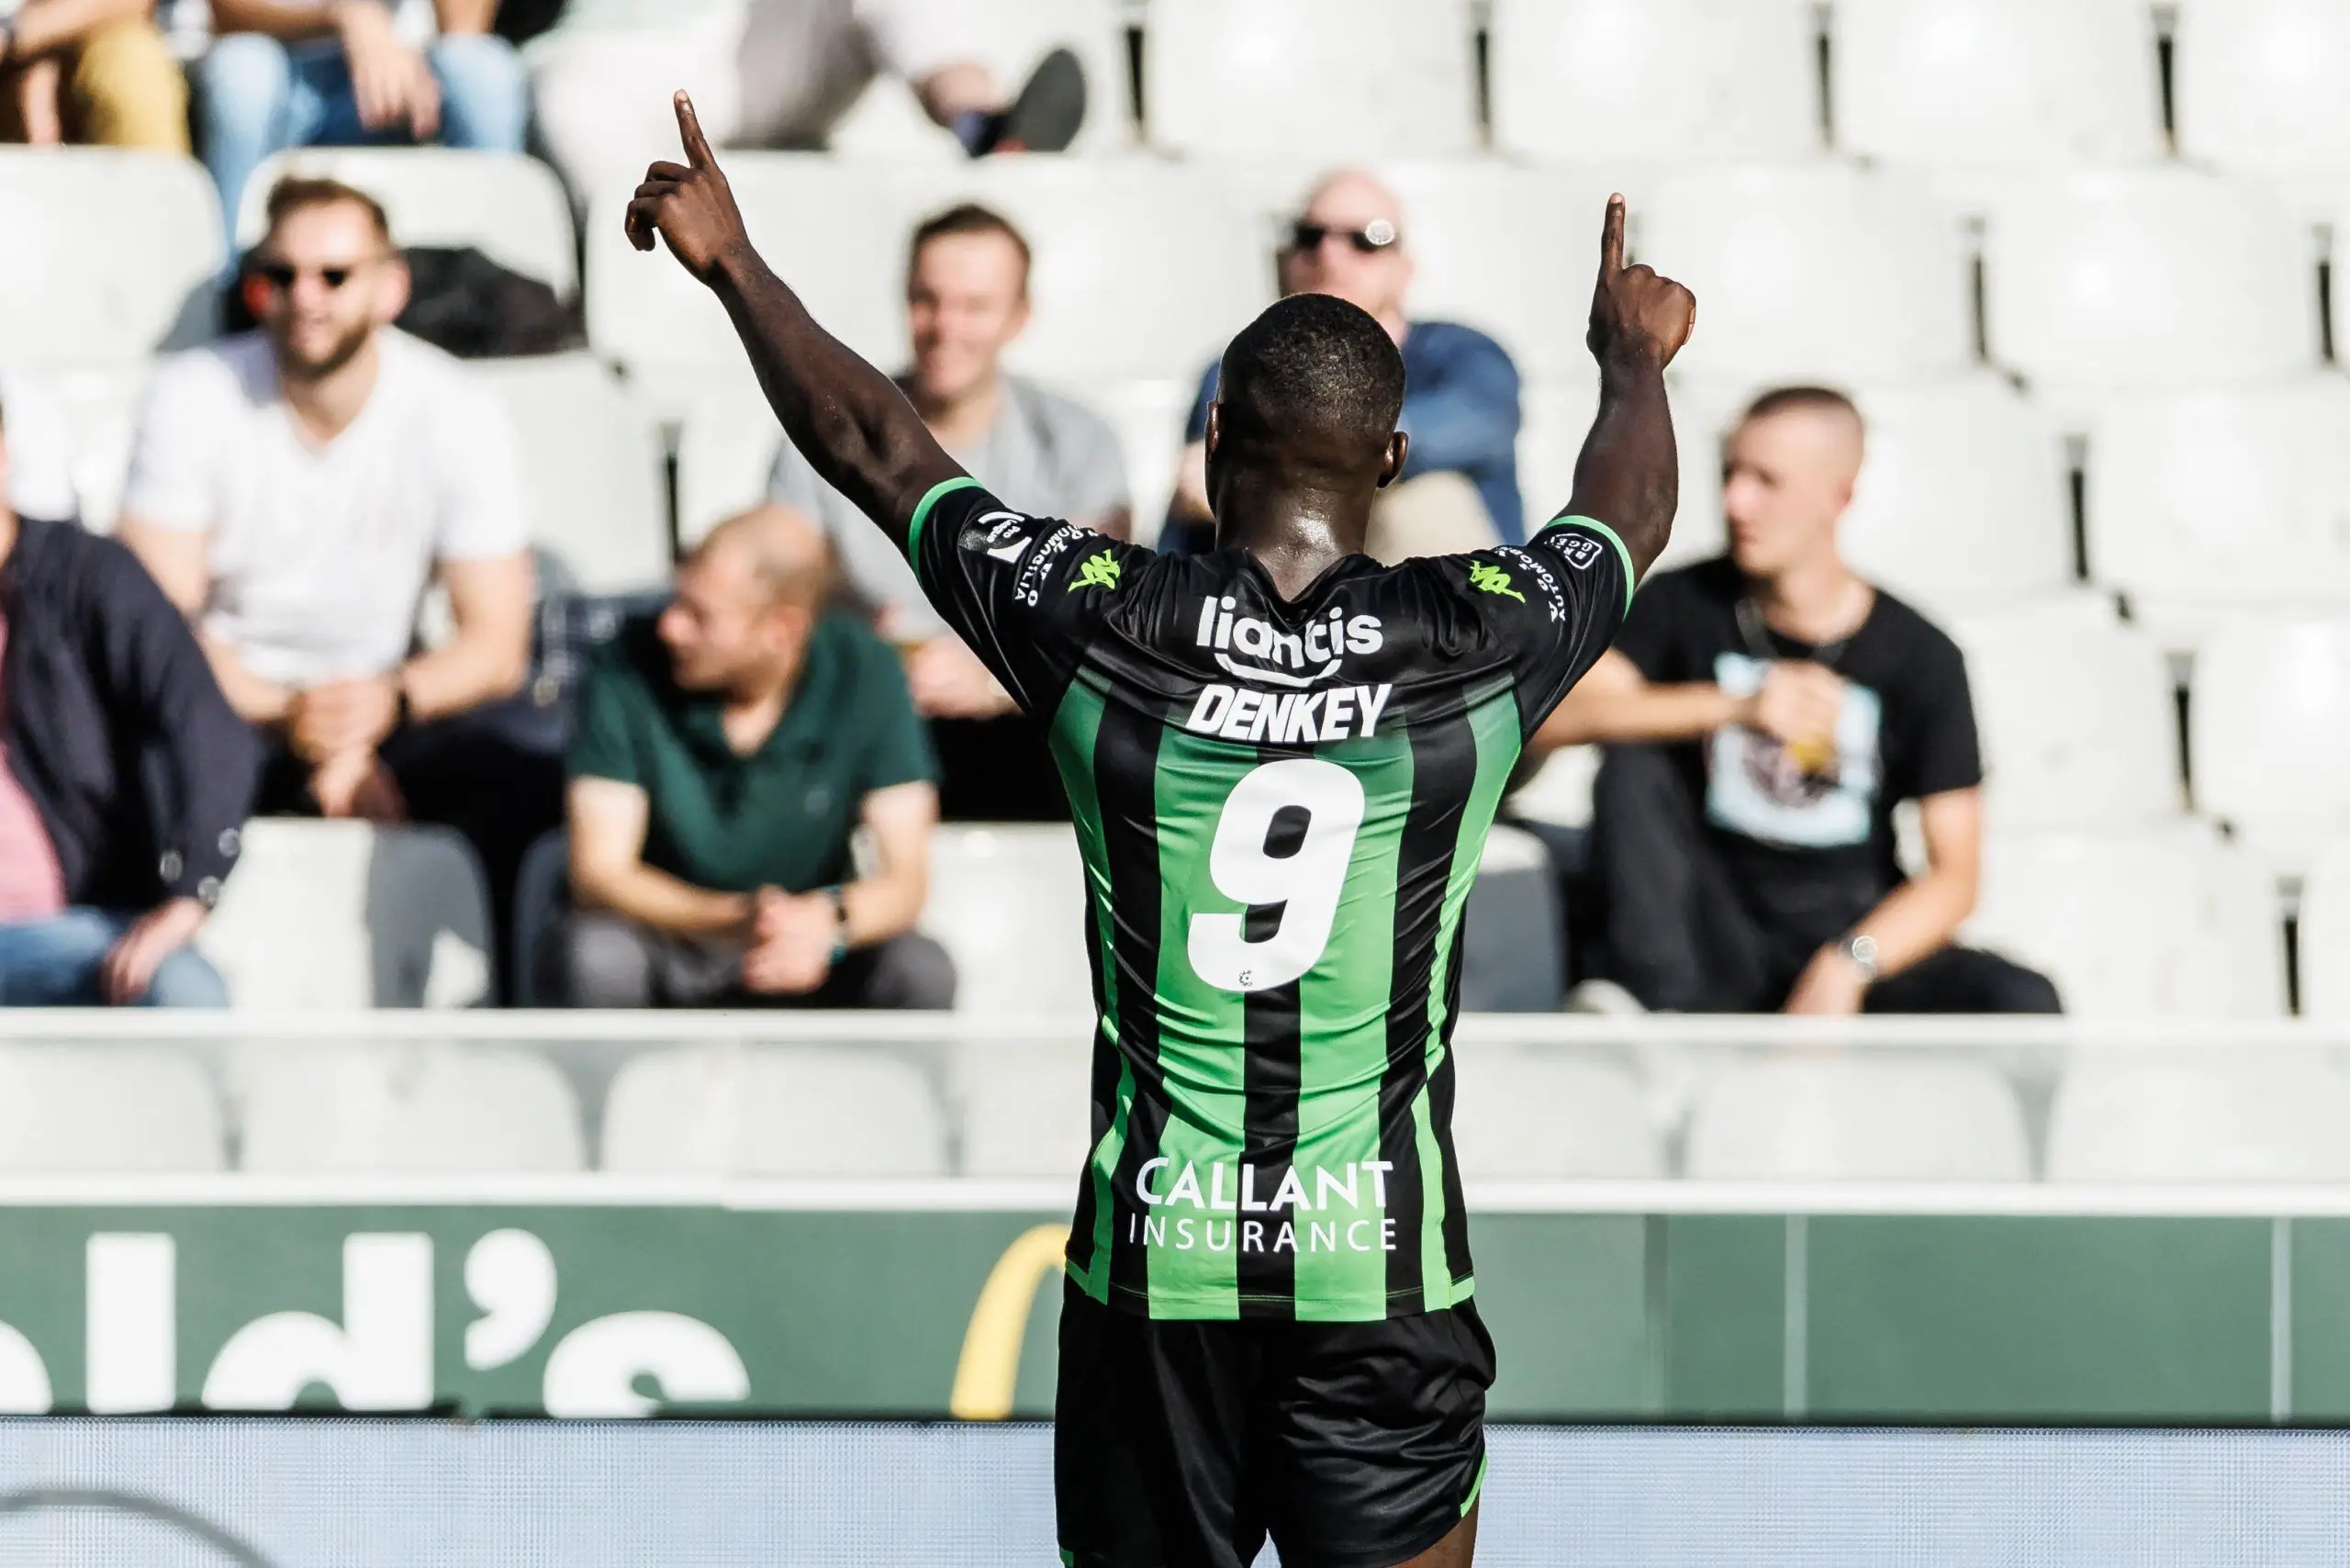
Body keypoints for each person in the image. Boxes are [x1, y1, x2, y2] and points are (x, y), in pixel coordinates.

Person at [627, 91, 1691, 1568]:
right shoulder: (1480, 641)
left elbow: (879, 446)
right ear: (1387, 463)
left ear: (1211, 445)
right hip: (1378, 1279)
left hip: (1153, 1273)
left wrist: (735, 263)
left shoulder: (1098, 621)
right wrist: (1630, 359)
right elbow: (1624, 514)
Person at [116, 176, 544, 963]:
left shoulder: (457, 411)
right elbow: (153, 621)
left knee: (525, 773)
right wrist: (296, 720)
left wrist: (385, 706)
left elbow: (497, 646)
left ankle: (499, 1030)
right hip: (228, 708)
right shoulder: (193, 395)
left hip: (384, 710)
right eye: (279, 276)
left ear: (391, 287)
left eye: (334, 276)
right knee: (134, 755)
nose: (304, 298)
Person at [1539, 386, 2062, 1017]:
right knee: (1632, 763)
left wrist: (1849, 965)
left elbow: (1956, 877)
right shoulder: (1683, 604)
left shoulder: (1920, 655)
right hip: (1700, 938)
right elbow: (1554, 717)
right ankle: (1657, 1037)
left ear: (1838, 497)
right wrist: (1735, 706)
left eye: (1767, 481)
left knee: (2022, 1003)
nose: (1736, 502)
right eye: (1730, 474)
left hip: (1843, 927)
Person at [757, 200, 1127, 819]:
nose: (944, 326)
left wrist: (987, 680)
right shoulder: (825, 433)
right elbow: (777, 580)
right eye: (926, 299)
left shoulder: (1078, 442)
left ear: (1020, 317)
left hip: (1025, 734)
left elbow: (1092, 619)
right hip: (857, 723)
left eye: (975, 305)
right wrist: (857, 654)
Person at [543, 507, 954, 1010]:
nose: (671, 627)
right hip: (670, 940)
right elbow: (599, 874)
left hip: (814, 950)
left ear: (781, 630)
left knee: (921, 970)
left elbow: (907, 879)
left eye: (700, 616)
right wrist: (739, 918)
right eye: (676, 601)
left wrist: (826, 923)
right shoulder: (624, 667)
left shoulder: (868, 674)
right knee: (594, 958)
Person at [0, 396, 257, 1008]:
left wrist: (187, 898)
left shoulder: (86, 576)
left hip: (78, 935)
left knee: (184, 991)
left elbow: (206, 725)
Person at [1163, 169, 1524, 563]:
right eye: (1310, 236)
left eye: (1366, 239)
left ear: (1404, 268)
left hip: (1427, 599)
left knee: (1430, 503)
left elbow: (1470, 426)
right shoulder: (1229, 370)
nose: (1330, 257)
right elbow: (1191, 509)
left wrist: (1285, 464)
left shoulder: (1462, 355)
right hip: (1281, 599)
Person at [528, 0, 1086, 210]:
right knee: (571, 100)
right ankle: (657, 274)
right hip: (609, 58)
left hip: (756, 42)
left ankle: (986, 127)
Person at [192, 0, 528, 242]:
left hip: (411, 79)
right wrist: (348, 14)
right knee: (242, 72)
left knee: (482, 69)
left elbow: (465, 29)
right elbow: (227, 12)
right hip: (283, 79)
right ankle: (231, 292)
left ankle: (501, 281)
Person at [0, 0, 187, 149]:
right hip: (22, 55)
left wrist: (19, 37)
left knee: (132, 69)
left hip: (56, 41)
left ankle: (152, 193)